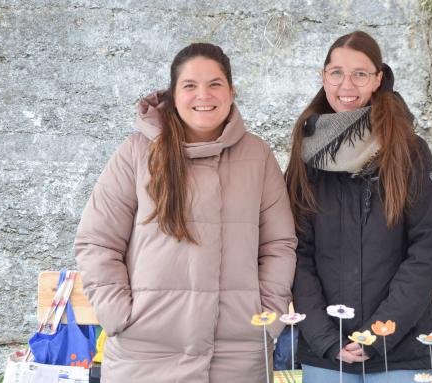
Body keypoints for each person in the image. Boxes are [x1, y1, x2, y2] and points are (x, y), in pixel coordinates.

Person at [74, 42, 297, 383]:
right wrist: (119, 315)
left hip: (236, 356)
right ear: (174, 94)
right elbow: (97, 241)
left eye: (215, 84)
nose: (203, 95)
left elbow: (278, 244)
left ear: (232, 91)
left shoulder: (258, 155)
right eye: (190, 85)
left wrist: (267, 318)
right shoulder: (137, 152)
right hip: (144, 353)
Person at [285, 31, 432, 382]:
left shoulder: (408, 149)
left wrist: (377, 333)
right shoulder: (305, 154)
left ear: (377, 79)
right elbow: (297, 251)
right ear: (323, 77)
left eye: (360, 74)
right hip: (326, 351)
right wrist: (326, 339)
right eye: (337, 72)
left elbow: (427, 248)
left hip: (400, 347)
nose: (347, 84)